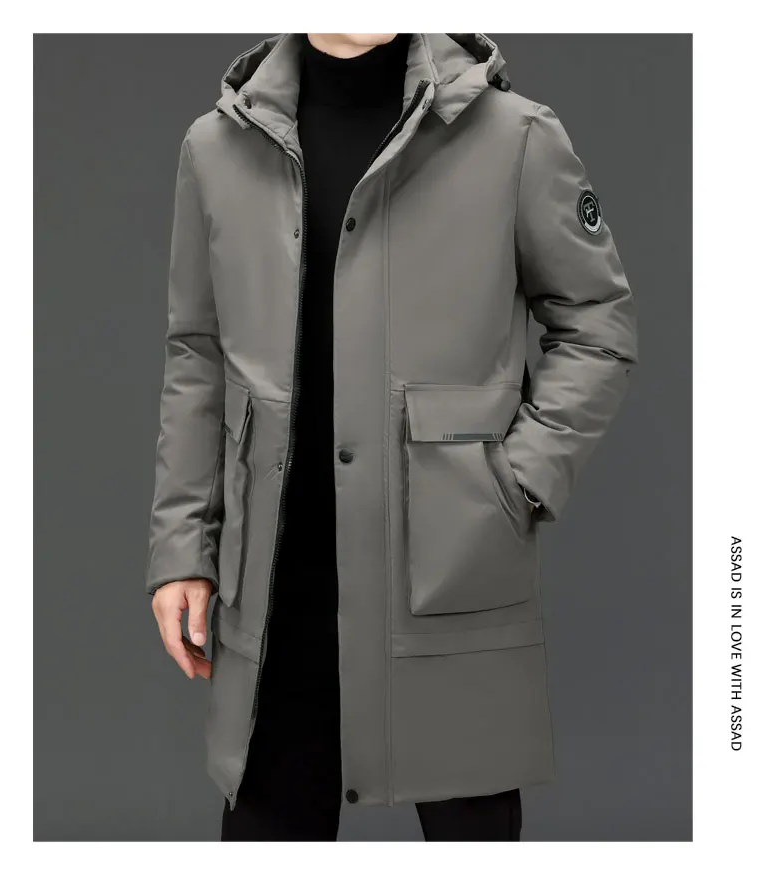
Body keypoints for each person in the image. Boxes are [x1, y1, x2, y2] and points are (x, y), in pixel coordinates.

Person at [146, 32, 638, 841]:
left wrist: (513, 483)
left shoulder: (513, 136)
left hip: (450, 572)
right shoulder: (217, 147)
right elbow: (197, 355)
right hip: (272, 589)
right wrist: (181, 547)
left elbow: (599, 324)